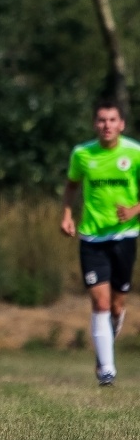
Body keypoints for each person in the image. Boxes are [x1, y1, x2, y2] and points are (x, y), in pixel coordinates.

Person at [60, 99, 140, 387]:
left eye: (112, 120)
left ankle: (105, 350)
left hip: (125, 237)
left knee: (117, 307)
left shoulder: (134, 153)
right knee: (100, 301)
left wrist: (133, 210)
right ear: (95, 124)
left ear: (121, 124)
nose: (106, 125)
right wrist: (67, 214)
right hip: (92, 237)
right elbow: (71, 186)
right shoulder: (82, 154)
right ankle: (106, 368)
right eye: (101, 120)